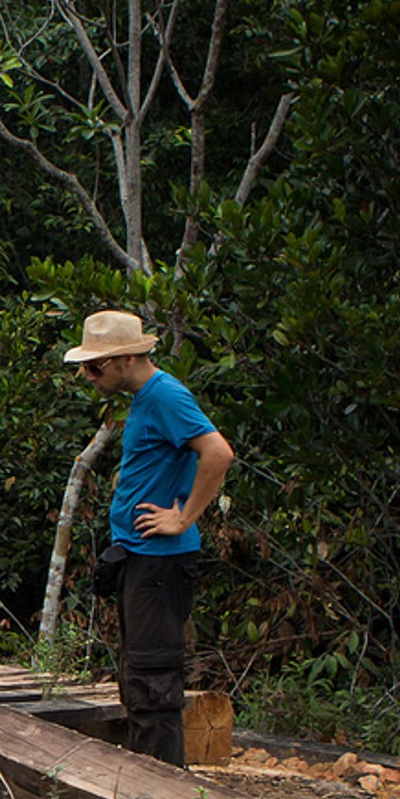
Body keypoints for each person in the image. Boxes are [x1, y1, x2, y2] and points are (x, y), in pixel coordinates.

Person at [64, 310, 234, 766]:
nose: (88, 376)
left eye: (95, 366)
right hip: (139, 557)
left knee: (153, 684)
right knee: (137, 679)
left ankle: (163, 793)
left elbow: (218, 453)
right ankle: (144, 783)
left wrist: (183, 518)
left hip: (161, 561)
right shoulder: (144, 399)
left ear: (125, 359)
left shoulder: (166, 396)